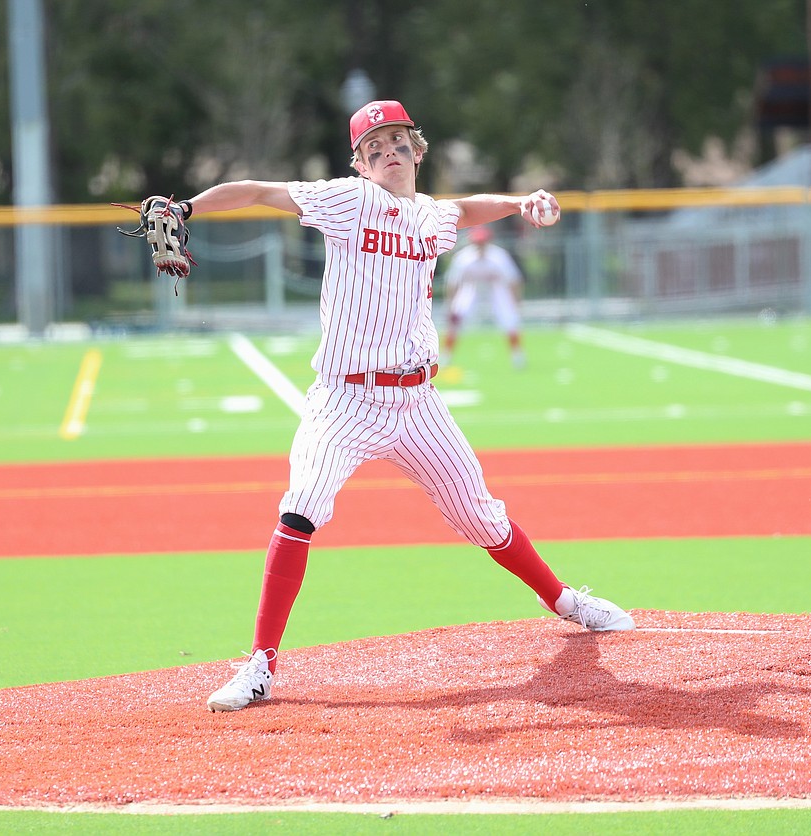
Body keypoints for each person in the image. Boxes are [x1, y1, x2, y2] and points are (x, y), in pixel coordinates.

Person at [167, 100, 634, 713]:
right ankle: (260, 665)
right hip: (345, 398)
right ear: (360, 165)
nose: (388, 151)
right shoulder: (347, 201)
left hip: (417, 402)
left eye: (397, 140)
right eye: (374, 146)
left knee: (483, 518)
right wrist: (186, 207)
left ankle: (565, 600)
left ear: (417, 149)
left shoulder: (434, 218)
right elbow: (257, 191)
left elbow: (467, 210)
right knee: (301, 505)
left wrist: (521, 203)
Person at [442, 224, 526, 369]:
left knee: (509, 319)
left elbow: (514, 280)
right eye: (477, 242)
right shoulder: (463, 258)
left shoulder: (499, 256)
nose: (480, 245)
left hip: (495, 288)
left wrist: (516, 302)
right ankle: (446, 355)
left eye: (482, 242)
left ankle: (517, 355)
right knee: (456, 316)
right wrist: (450, 304)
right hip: (472, 287)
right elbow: (453, 283)